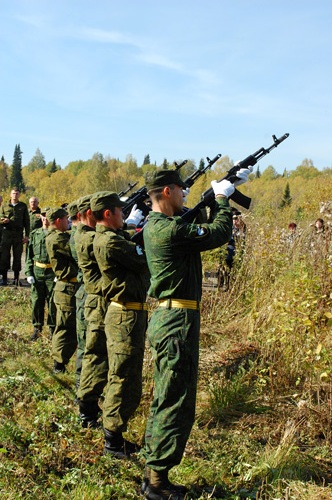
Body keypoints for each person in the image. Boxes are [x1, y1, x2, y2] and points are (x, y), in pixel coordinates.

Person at [141, 167, 251, 500]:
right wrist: (220, 198)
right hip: (176, 321)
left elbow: (190, 224)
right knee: (174, 400)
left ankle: (155, 474)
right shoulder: (167, 231)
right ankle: (156, 482)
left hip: (174, 318)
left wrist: (221, 192)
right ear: (166, 192)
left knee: (168, 396)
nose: (184, 194)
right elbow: (217, 234)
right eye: (180, 189)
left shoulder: (160, 226)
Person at [91, 191, 148, 458]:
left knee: (127, 375)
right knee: (122, 376)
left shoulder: (112, 238)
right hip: (124, 315)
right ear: (107, 214)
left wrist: (136, 227)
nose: (123, 215)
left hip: (129, 314)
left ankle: (116, 436)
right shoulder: (110, 242)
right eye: (120, 211)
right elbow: (143, 258)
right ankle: (112, 442)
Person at [74, 194, 108, 428]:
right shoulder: (87, 237)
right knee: (94, 353)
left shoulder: (88, 234)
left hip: (91, 298)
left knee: (90, 351)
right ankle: (87, 410)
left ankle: (87, 399)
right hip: (94, 300)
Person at [45, 207, 78, 374]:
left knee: (66, 325)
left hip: (69, 287)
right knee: (66, 327)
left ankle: (60, 361)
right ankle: (59, 363)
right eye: (66, 218)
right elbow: (77, 249)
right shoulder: (57, 238)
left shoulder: (57, 236)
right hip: (68, 288)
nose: (69, 221)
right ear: (58, 220)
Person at [25, 208, 56, 340]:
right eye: (43, 216)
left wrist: (58, 274)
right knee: (37, 301)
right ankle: (37, 328)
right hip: (37, 271)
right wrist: (29, 272)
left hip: (51, 272)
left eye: (47, 216)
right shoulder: (34, 234)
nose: (45, 219)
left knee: (52, 302)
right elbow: (29, 255)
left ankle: (52, 328)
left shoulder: (56, 234)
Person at [67, 200, 87, 391]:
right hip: (87, 296)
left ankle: (82, 389)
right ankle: (82, 390)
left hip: (83, 294)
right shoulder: (79, 237)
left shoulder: (77, 235)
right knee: (86, 346)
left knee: (85, 346)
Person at [0, 188, 30, 286]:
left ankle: (16, 279)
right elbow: (0, 216)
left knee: (17, 257)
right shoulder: (4, 206)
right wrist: (3, 220)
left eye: (17, 194)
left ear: (19, 195)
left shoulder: (23, 206)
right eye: (13, 193)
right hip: (6, 235)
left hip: (18, 235)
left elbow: (27, 222)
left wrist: (27, 235)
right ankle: (4, 278)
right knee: (4, 256)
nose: (15, 195)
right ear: (10, 195)